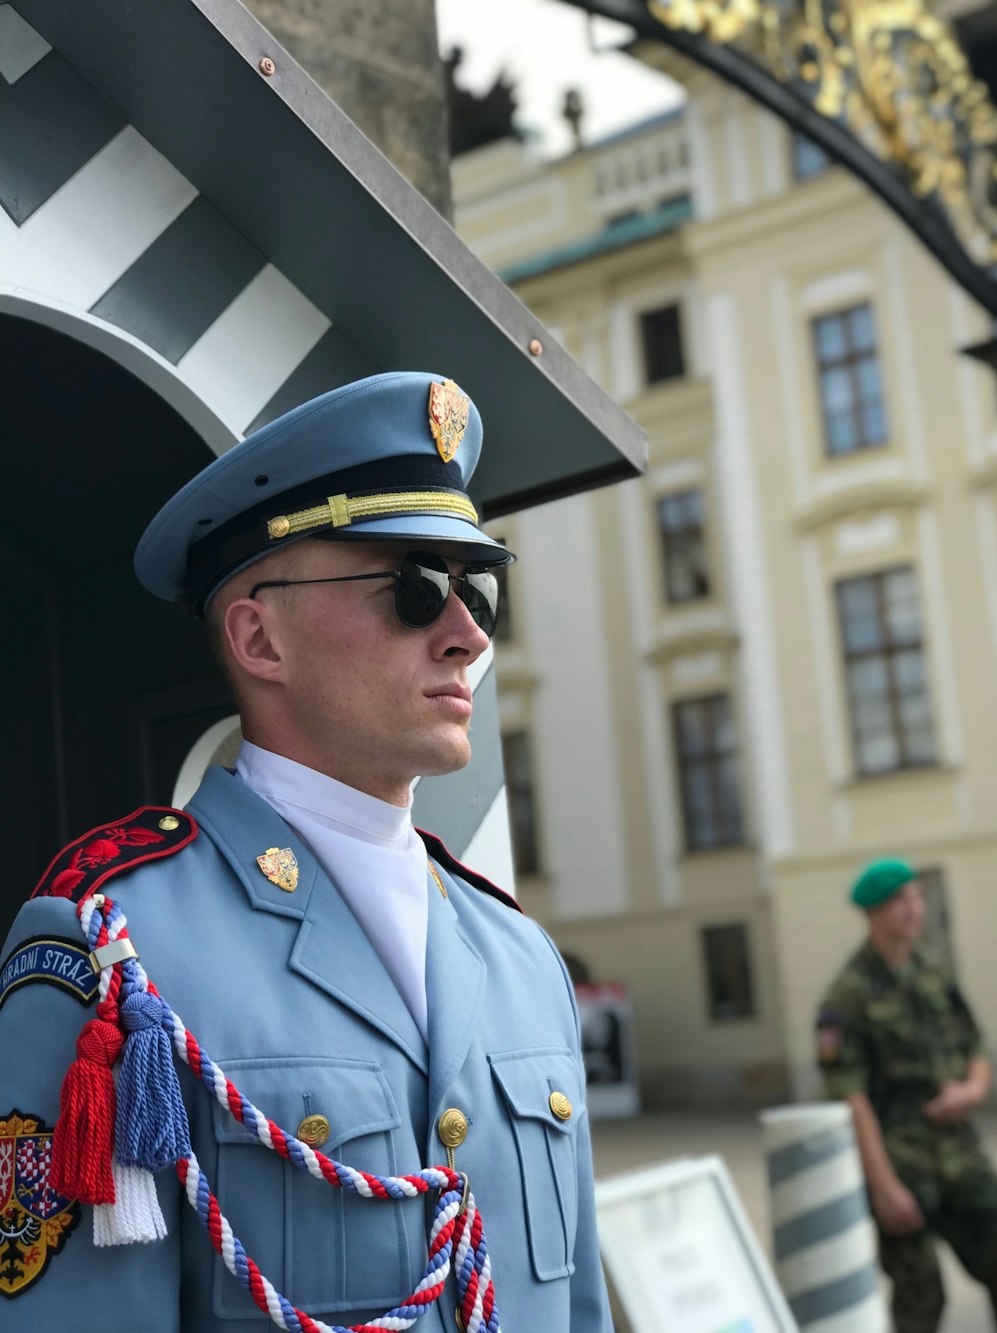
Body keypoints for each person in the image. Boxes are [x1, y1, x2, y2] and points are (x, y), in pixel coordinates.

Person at [0, 372, 613, 1331]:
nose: (465, 635)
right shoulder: (112, 954)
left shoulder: (523, 958)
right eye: (413, 588)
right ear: (259, 636)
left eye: (477, 591)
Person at [816, 857, 997, 1332]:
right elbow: (848, 1097)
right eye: (901, 900)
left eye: (917, 897)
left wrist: (973, 1090)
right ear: (874, 913)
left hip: (959, 1157)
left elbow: (975, 1044)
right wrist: (883, 1186)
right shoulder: (847, 995)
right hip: (901, 1166)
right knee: (921, 1298)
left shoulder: (933, 973)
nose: (914, 909)